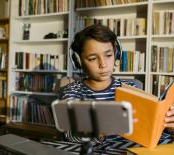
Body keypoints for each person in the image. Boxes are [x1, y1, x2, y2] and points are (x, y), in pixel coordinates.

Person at [58, 24, 174, 152]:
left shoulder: (131, 87)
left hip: (143, 148)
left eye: (108, 55)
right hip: (110, 149)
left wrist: (167, 125)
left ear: (116, 54)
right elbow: (68, 134)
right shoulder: (73, 91)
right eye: (92, 58)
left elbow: (149, 128)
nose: (103, 64)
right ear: (79, 61)